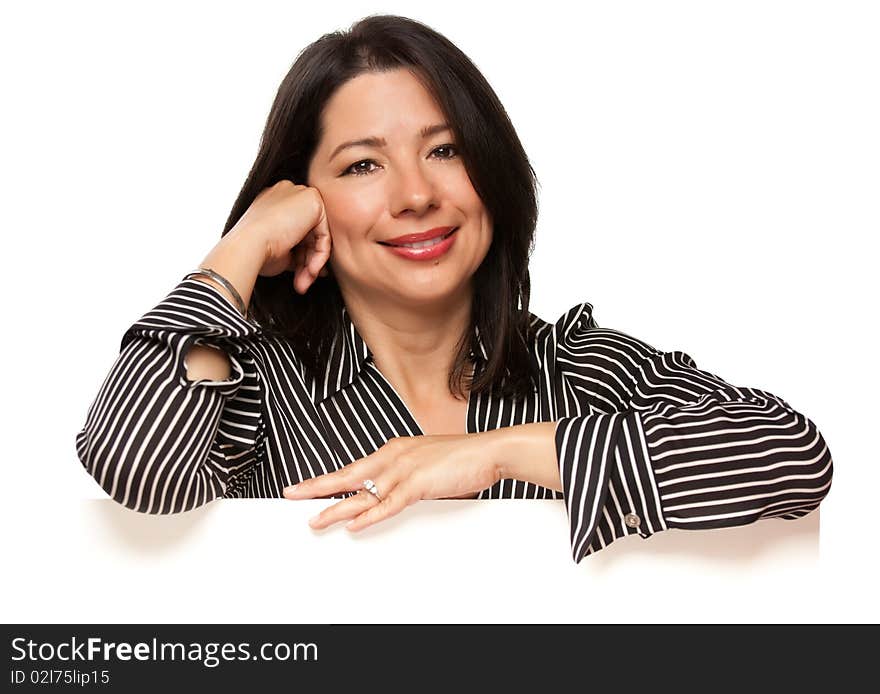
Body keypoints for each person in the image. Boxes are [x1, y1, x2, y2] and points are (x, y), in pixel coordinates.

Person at [75, 14, 833, 564]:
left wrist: (494, 454)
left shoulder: (577, 368)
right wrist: (238, 248)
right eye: (361, 166)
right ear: (306, 200)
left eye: (445, 150)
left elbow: (792, 456)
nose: (415, 196)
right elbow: (140, 469)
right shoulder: (261, 388)